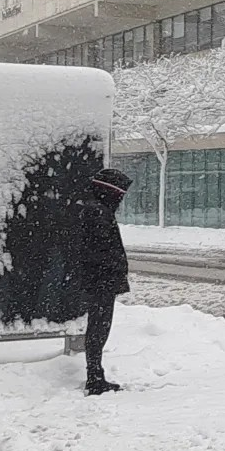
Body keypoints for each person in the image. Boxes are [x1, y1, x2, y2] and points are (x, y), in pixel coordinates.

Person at [78, 167, 133, 396]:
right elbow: (100, 251)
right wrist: (113, 271)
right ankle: (94, 377)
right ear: (111, 192)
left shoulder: (94, 209)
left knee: (98, 327)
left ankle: (95, 374)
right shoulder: (98, 213)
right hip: (101, 281)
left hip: (99, 280)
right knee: (99, 327)